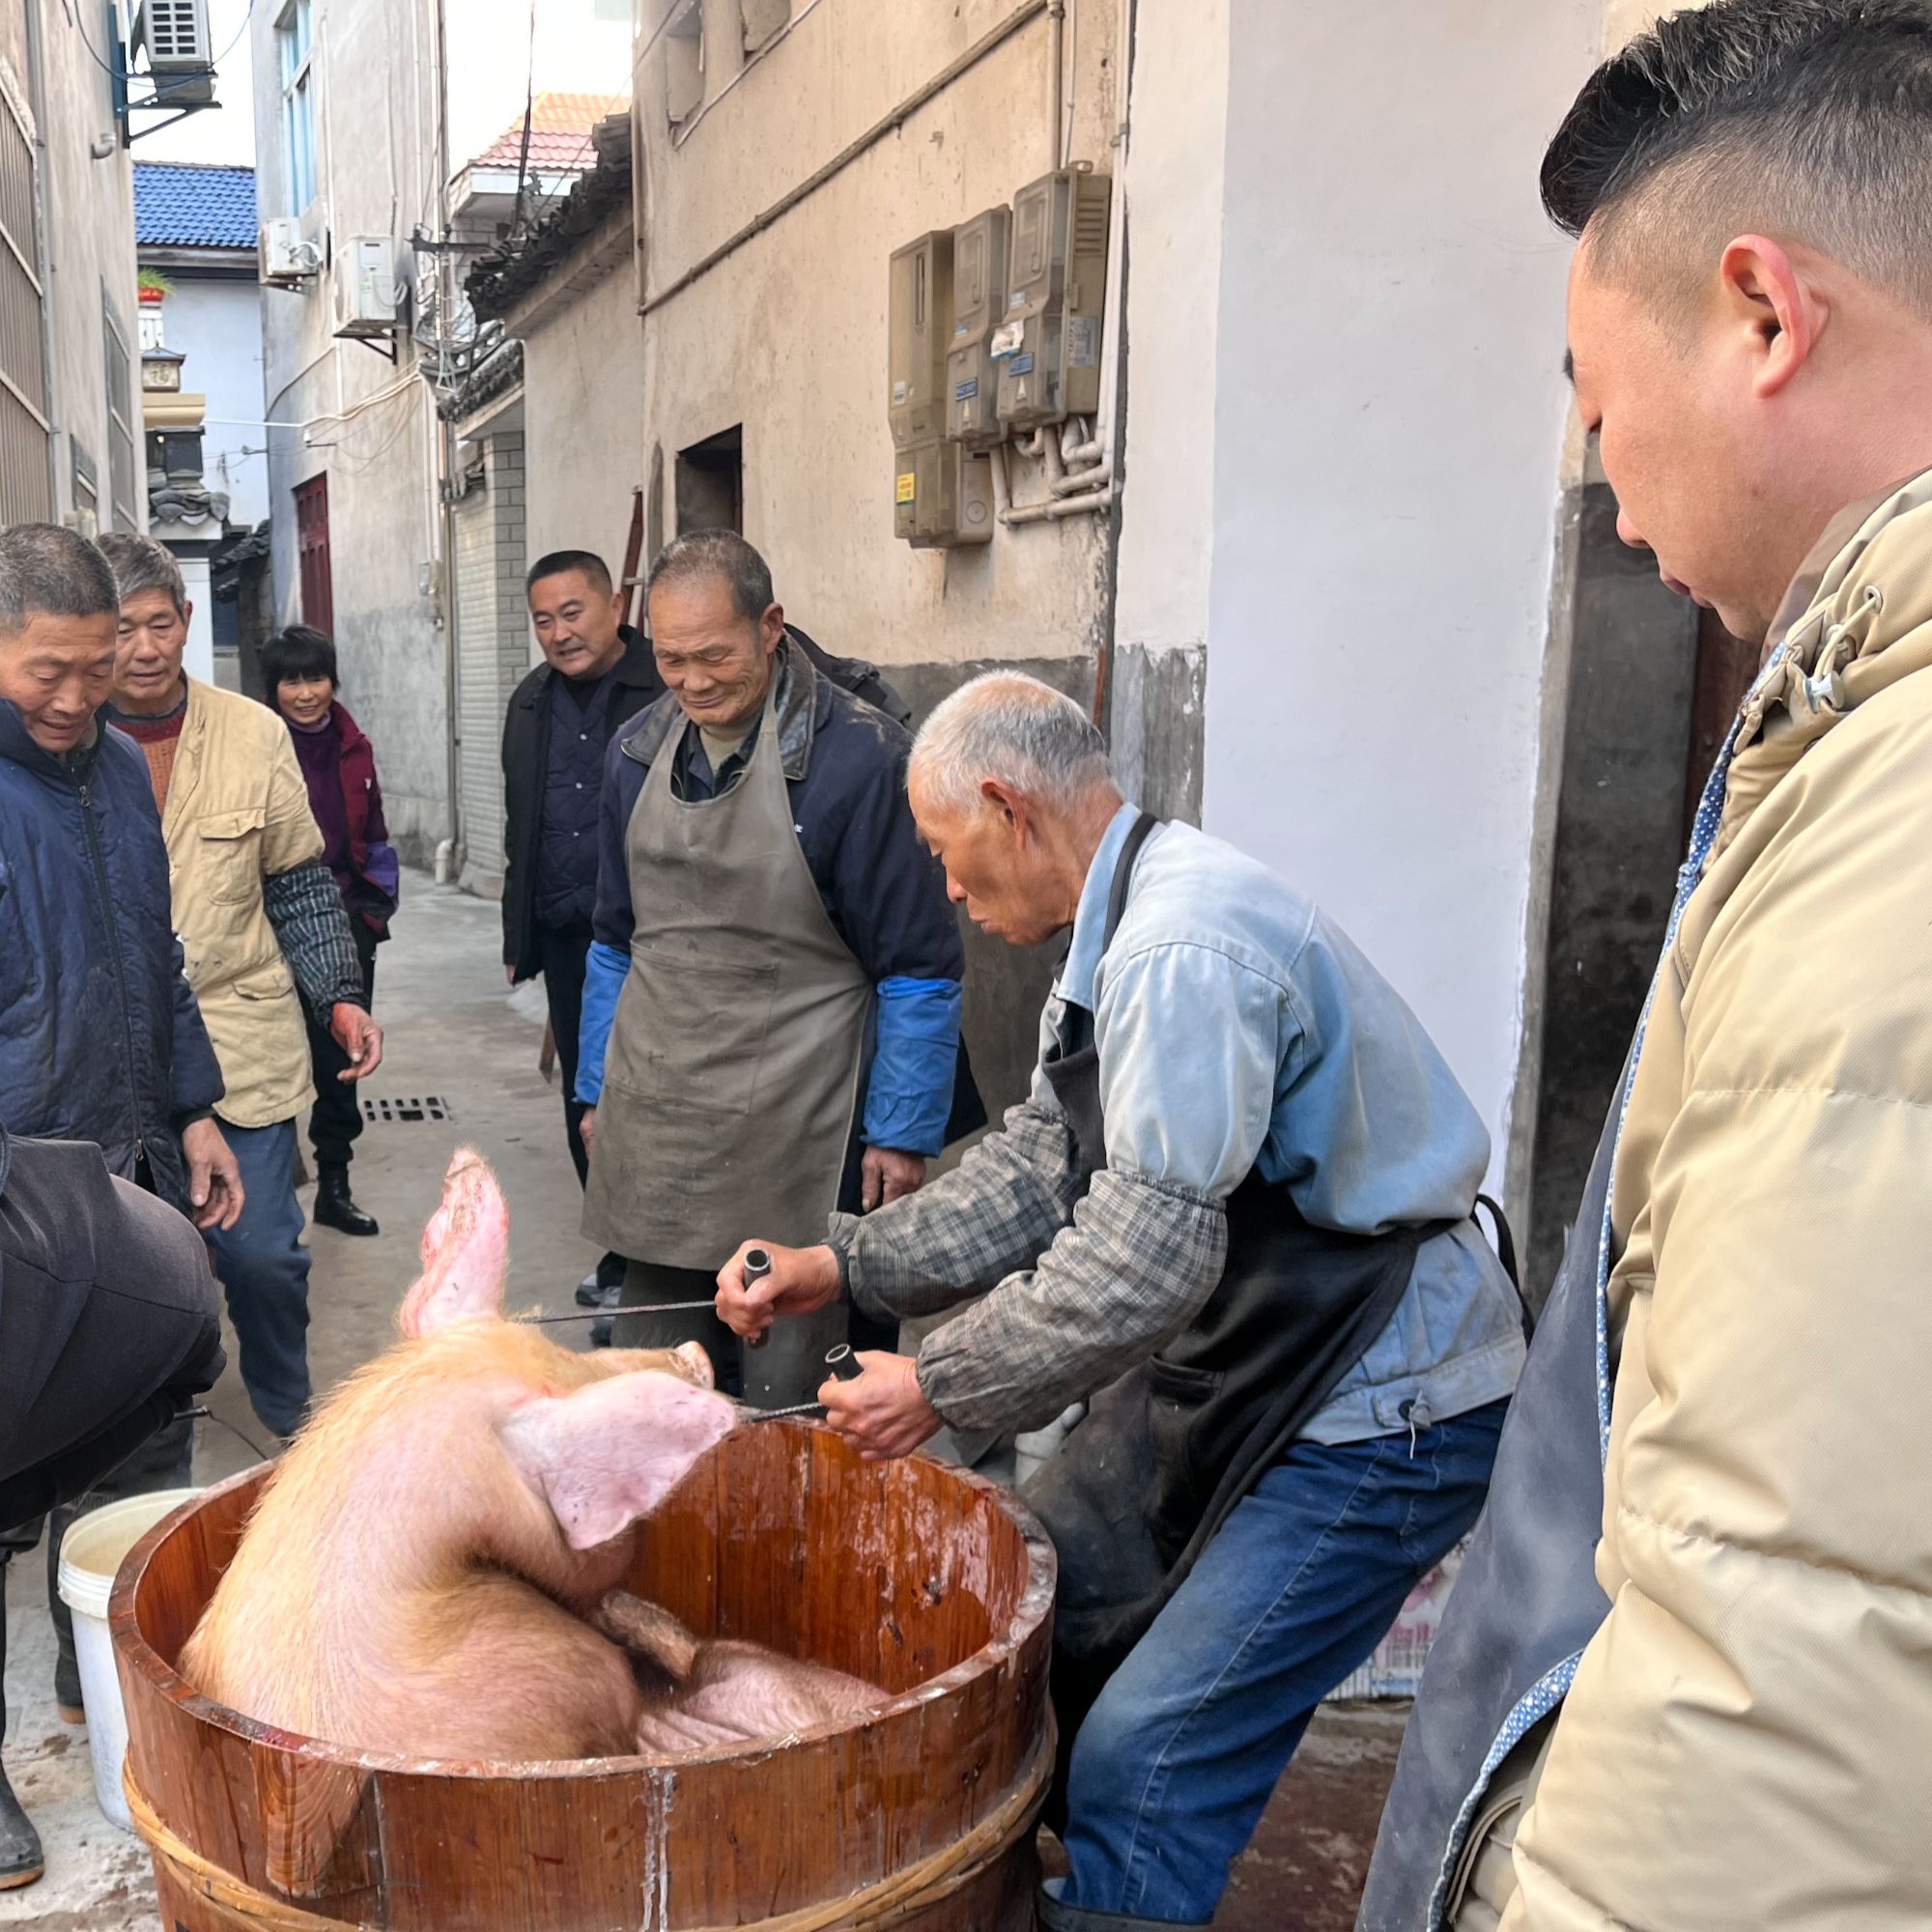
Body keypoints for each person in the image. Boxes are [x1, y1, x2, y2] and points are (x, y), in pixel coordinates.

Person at [1359, 8, 1932, 1929]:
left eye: (1599, 415)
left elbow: (1790, 1641)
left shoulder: (1890, 821)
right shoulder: (1840, 733)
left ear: (1763, 315)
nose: (1608, 501)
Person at [715, 673, 1525, 1929]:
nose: (945, 890)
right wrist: (850, 1264)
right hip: (1267, 1351)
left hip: (1383, 1404)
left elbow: (1144, 1261)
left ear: (1007, 806)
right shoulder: (1114, 926)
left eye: (947, 853)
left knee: (1147, 1758)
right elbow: (1048, 1164)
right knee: (1052, 1622)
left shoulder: (1176, 948)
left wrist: (936, 1384)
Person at [579, 529, 966, 1406]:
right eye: (671, 659)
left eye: (715, 655)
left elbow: (919, 968)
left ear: (771, 628)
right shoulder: (635, 752)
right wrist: (598, 1088)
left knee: (807, 1403)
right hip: (664, 1124)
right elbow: (613, 941)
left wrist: (901, 1132)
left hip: (805, 1124)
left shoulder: (860, 758)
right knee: (654, 1397)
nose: (694, 681)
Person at [0, 523, 240, 1889]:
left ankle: (103, 1673)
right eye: (51, 671)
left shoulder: (110, 774)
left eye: (99, 671)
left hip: (127, 1154)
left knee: (140, 1434)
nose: (81, 698)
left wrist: (191, 1108)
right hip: (14, 1192)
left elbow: (155, 958)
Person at [98, 533, 384, 1446]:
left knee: (262, 1256)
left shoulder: (254, 734)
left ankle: (290, 1420)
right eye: (123, 629)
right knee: (130, 1272)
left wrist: (336, 991)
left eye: (159, 623)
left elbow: (298, 881)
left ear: (186, 621)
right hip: (111, 1055)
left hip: (240, 1036)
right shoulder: (63, 737)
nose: (144, 648)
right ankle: (150, 1427)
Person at [500, 550, 665, 1314]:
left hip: (660, 939)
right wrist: (517, 933)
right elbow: (521, 824)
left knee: (658, 1095)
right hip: (570, 935)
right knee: (585, 1094)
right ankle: (618, 1249)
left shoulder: (663, 686)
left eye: (572, 612)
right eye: (543, 619)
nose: (559, 632)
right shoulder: (531, 702)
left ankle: (664, 1257)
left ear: (612, 607)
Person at [261, 624, 399, 1236]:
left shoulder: (353, 745)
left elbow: (372, 830)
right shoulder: (256, 744)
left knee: (340, 1064)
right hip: (271, 925)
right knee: (272, 1059)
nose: (305, 692)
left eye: (315, 677)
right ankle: (270, 1198)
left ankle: (334, 1187)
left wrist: (373, 907)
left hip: (347, 921)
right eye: (291, 680)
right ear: (274, 687)